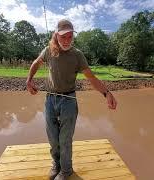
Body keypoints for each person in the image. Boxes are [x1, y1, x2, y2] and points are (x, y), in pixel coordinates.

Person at [26, 19, 117, 180]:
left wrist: (107, 93)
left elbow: (92, 78)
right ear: (56, 36)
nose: (67, 40)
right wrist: (29, 79)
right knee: (53, 138)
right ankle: (57, 165)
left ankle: (66, 171)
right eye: (63, 37)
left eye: (70, 36)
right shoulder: (48, 50)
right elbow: (36, 63)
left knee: (65, 139)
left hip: (68, 100)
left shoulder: (78, 55)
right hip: (50, 100)